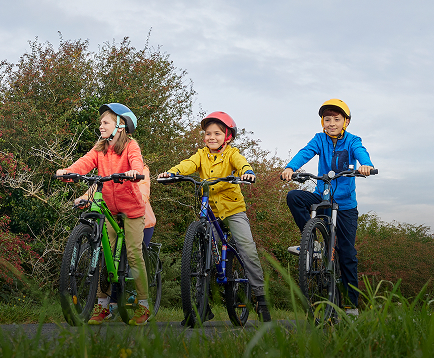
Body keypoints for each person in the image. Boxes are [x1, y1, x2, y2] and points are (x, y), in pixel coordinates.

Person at [158, 111, 271, 322]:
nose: (211, 137)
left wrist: (247, 172)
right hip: (209, 209)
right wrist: (172, 173)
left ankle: (260, 297)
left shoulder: (232, 154)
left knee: (247, 249)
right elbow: (188, 165)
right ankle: (201, 306)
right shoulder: (201, 155)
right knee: (204, 255)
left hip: (232, 210)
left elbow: (242, 163)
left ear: (227, 136)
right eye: (208, 133)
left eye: (217, 133)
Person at [56, 103, 150, 326]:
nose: (101, 126)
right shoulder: (100, 148)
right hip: (108, 207)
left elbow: (136, 161)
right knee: (101, 254)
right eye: (100, 123)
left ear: (120, 125)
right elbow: (85, 162)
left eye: (105, 122)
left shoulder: (131, 146)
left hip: (131, 208)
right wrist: (69, 171)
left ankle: (144, 305)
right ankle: (103, 305)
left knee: (134, 253)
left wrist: (134, 172)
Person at [280, 99, 374, 317]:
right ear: (322, 122)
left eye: (337, 119)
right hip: (323, 197)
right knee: (294, 196)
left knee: (347, 252)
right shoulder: (319, 139)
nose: (331, 123)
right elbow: (306, 152)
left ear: (346, 122)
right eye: (327, 119)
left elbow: (361, 152)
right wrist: (290, 167)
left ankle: (351, 304)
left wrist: (365, 165)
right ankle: (312, 243)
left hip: (345, 206)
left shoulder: (352, 141)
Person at [139, 163, 157, 247]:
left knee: (135, 255)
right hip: (117, 219)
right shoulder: (110, 166)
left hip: (144, 224)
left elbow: (143, 190)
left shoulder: (142, 169)